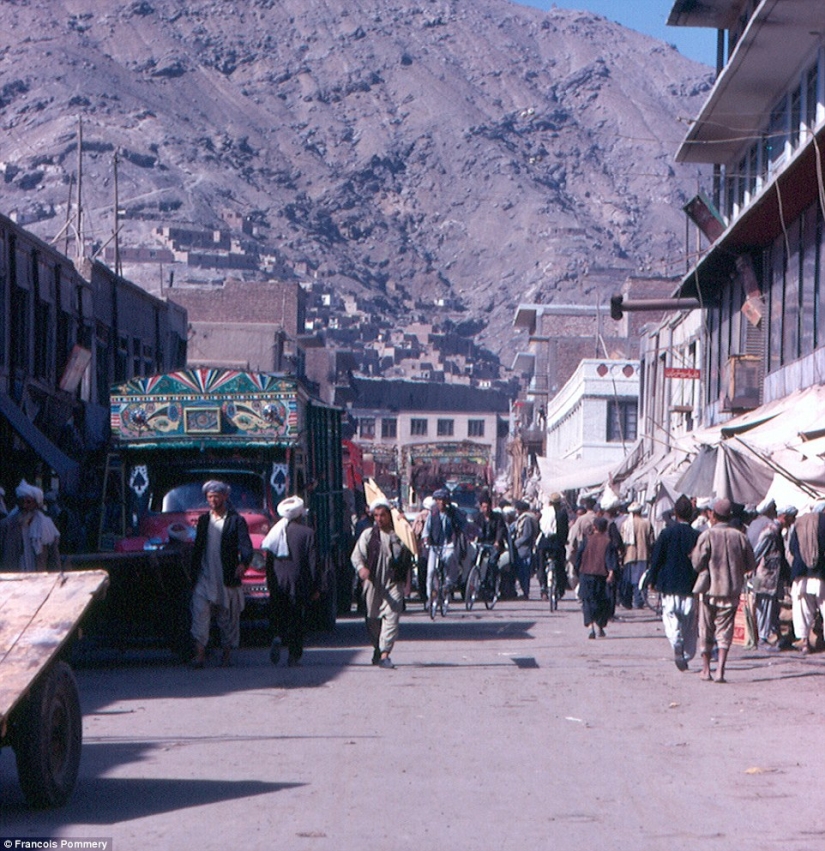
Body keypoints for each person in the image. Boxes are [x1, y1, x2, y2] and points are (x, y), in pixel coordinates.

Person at [691, 497, 756, 682]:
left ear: (712, 514)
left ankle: (706, 669)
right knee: (725, 630)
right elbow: (750, 564)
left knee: (706, 629)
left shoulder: (707, 536)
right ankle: (720, 669)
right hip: (731, 591)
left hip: (709, 590)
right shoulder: (740, 537)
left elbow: (697, 563)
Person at [189, 480, 253, 668]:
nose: (213, 500)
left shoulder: (236, 521)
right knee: (199, 614)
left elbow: (246, 547)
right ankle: (199, 655)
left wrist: (243, 563)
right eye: (210, 497)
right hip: (204, 577)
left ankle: (226, 654)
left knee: (227, 619)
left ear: (225, 497)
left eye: (216, 496)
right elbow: (197, 548)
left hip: (226, 578)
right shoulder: (204, 521)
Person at [351, 498, 413, 668]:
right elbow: (356, 556)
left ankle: (385, 653)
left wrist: (406, 524)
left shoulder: (399, 534)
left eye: (383, 515)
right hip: (373, 581)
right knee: (372, 617)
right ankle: (378, 648)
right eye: (376, 515)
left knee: (392, 615)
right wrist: (361, 569)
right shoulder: (368, 535)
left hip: (393, 581)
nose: (379, 519)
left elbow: (413, 544)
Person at [262, 495, 320, 667]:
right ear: (300, 515)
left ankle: (278, 637)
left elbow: (268, 562)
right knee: (296, 618)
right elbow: (313, 562)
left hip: (278, 581)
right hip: (299, 582)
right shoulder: (308, 533)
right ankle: (294, 656)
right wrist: (316, 586)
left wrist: (271, 583)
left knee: (280, 613)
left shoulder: (274, 532)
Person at [647, 494, 700, 671]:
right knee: (689, 623)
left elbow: (656, 559)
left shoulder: (666, 534)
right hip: (690, 585)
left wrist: (651, 580)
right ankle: (687, 654)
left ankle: (676, 643)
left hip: (669, 584)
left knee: (671, 617)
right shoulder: (697, 536)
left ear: (675, 513)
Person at [751, 504, 796, 649]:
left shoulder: (775, 531)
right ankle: (764, 637)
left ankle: (770, 635)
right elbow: (758, 552)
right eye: (791, 518)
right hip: (765, 576)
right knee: (764, 606)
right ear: (784, 517)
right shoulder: (771, 532)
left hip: (768, 576)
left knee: (769, 606)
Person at [787, 501, 825, 655]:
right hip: (822, 573)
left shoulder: (799, 523)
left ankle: (804, 643)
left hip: (800, 573)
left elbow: (792, 548)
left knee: (802, 610)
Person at [0, 480, 61, 571]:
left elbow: (54, 557)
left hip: (39, 579)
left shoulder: (47, 526)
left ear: (36, 505)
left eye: (28, 502)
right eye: (22, 502)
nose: (24, 506)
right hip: (13, 577)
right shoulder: (6, 526)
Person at [574, 516, 617, 639]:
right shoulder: (608, 542)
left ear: (594, 527)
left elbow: (579, 557)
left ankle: (590, 627)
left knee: (587, 601)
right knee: (601, 601)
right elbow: (611, 560)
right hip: (601, 576)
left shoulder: (586, 540)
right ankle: (600, 626)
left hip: (586, 574)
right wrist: (611, 573)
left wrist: (578, 572)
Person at [423, 488, 466, 608]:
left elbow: (463, 524)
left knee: (449, 557)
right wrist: (426, 539)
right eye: (438, 500)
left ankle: (449, 582)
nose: (440, 503)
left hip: (448, 544)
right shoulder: (433, 513)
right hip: (435, 545)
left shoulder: (452, 512)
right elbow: (427, 529)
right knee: (431, 571)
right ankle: (430, 597)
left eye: (443, 500)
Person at [619, 502, 654, 609]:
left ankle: (627, 601)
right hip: (643, 555)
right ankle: (639, 601)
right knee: (641, 580)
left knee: (629, 580)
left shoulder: (626, 524)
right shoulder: (647, 523)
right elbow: (651, 541)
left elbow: (622, 541)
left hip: (629, 556)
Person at [537, 492, 569, 602]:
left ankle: (543, 588)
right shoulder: (562, 513)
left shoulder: (544, 512)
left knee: (541, 564)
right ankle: (560, 589)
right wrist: (565, 540)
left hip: (544, 543)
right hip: (557, 543)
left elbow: (539, 527)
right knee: (560, 565)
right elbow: (565, 530)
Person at [475, 492, 507, 595]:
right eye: (484, 507)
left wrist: (497, 541)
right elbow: (475, 530)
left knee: (492, 562)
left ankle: (491, 586)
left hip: (494, 544)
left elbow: (500, 530)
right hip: (482, 544)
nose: (486, 509)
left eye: (487, 507)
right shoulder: (478, 518)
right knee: (474, 560)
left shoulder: (497, 517)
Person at [513, 500, 538, 599]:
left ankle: (525, 593)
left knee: (524, 572)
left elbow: (527, 535)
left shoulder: (527, 520)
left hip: (524, 549)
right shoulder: (522, 519)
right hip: (521, 549)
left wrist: (516, 543)